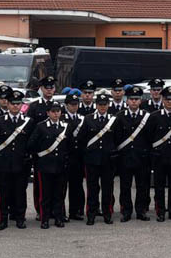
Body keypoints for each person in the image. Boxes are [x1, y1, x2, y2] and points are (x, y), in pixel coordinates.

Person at [0, 89, 31, 229]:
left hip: (21, 163)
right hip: (3, 163)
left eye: (18, 104)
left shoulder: (27, 121)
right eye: (13, 103)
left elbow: (31, 142)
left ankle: (20, 218)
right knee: (4, 193)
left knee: (20, 192)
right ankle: (3, 219)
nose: (15, 106)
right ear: (8, 104)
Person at [112, 86, 153, 222]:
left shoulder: (147, 117)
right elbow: (116, 138)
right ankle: (126, 211)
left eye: (136, 99)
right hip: (125, 158)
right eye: (131, 99)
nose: (134, 102)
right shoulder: (119, 117)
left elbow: (150, 138)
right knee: (125, 186)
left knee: (142, 186)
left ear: (140, 101)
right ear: (127, 101)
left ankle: (141, 210)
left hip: (142, 158)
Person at [28, 101, 70, 229]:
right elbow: (31, 144)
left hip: (60, 166)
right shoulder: (41, 126)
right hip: (45, 166)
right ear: (48, 113)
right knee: (45, 195)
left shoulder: (65, 127)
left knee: (58, 194)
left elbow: (70, 146)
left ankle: (58, 218)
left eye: (58, 111)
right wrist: (39, 158)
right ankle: (44, 218)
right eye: (53, 111)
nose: (56, 114)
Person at [148, 86, 171, 221]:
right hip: (160, 157)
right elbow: (150, 137)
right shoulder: (154, 116)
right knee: (159, 186)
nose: (170, 102)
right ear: (163, 100)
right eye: (167, 99)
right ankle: (160, 211)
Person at [78, 92, 116, 224]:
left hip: (108, 160)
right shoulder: (88, 119)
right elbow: (82, 139)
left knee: (108, 188)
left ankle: (107, 213)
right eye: (100, 104)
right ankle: (91, 214)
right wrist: (87, 153)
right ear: (96, 105)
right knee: (92, 188)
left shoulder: (113, 119)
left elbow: (117, 138)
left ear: (108, 105)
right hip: (92, 160)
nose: (103, 107)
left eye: (105, 104)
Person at [62, 92, 87, 222]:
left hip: (78, 158)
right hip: (66, 156)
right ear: (66, 105)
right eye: (72, 105)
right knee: (62, 187)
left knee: (77, 186)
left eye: (76, 104)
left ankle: (76, 211)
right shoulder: (61, 118)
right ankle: (61, 212)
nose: (74, 107)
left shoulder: (82, 119)